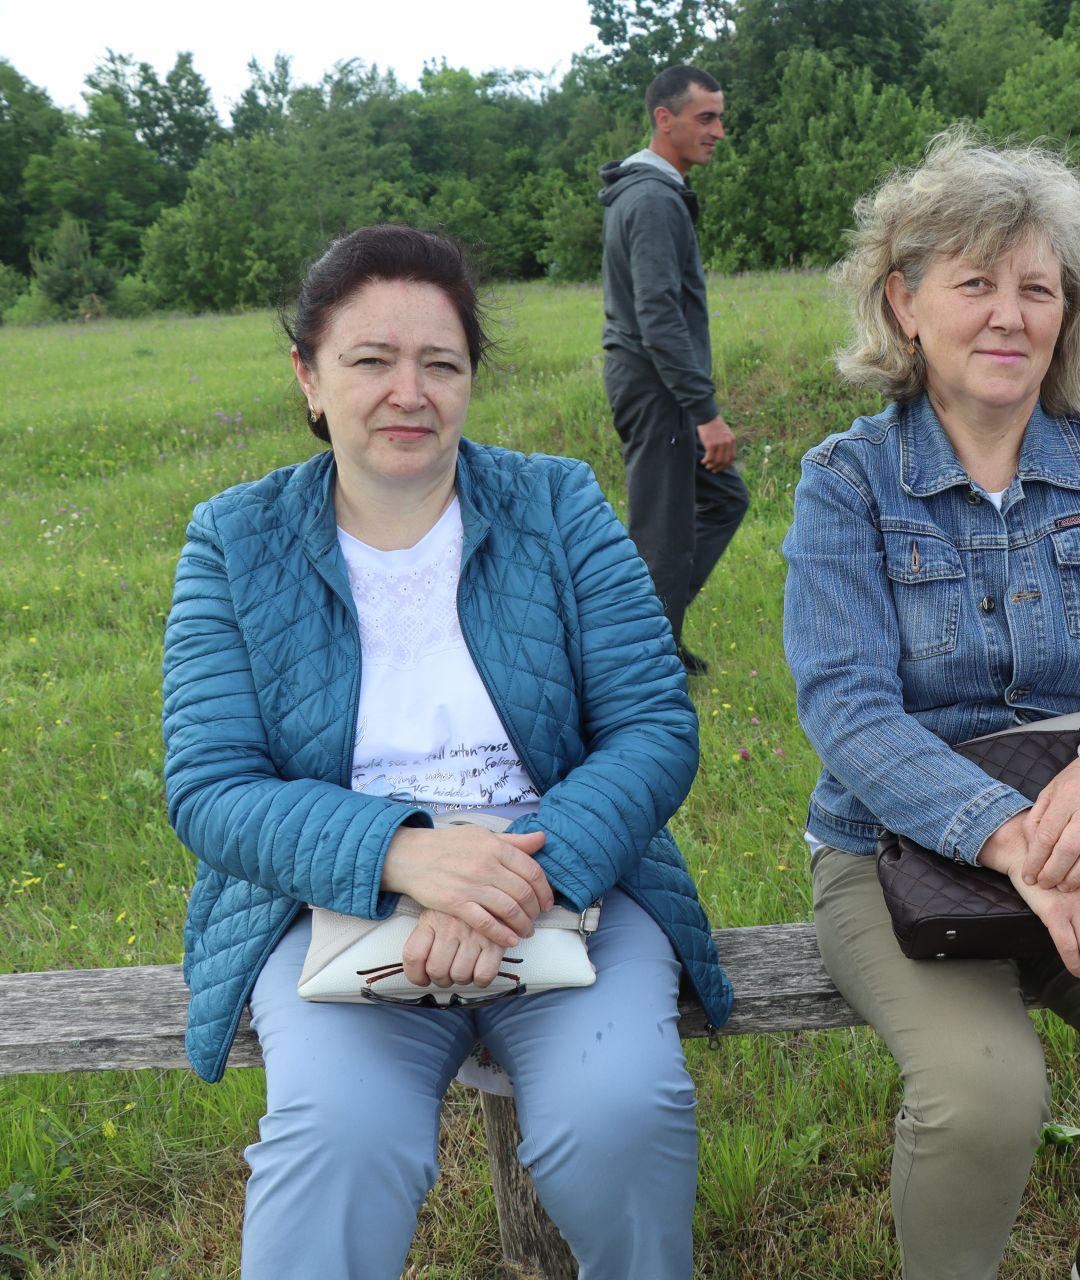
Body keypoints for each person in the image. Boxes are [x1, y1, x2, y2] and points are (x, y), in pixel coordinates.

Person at [162, 224, 732, 1279]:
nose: (408, 392)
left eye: (441, 362)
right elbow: (211, 783)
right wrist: (410, 857)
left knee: (619, 1115)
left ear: (472, 377)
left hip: (569, 877)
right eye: (370, 360)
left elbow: (654, 726)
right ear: (309, 376)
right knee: (338, 1141)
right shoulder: (233, 538)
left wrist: (516, 876)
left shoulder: (558, 502)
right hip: (339, 900)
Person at [782, 130, 1080, 1280]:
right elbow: (848, 709)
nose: (1009, 314)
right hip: (895, 846)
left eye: (1036, 286)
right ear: (904, 303)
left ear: (1068, 310)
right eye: (975, 282)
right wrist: (1009, 839)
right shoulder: (847, 481)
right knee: (987, 1097)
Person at [599, 63, 748, 675]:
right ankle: (642, 664)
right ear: (665, 119)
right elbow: (658, 315)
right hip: (656, 386)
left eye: (720, 118)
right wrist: (705, 413)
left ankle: (654, 638)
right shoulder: (654, 201)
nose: (717, 131)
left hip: (657, 383)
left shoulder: (654, 195)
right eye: (705, 117)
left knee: (723, 498)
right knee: (662, 534)